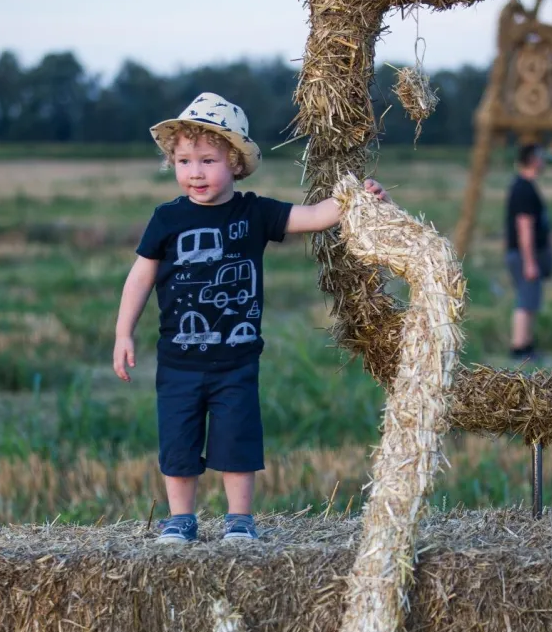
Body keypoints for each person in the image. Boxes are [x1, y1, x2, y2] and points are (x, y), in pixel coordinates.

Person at [113, 92, 388, 543]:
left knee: (237, 442)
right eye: (184, 162)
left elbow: (315, 216)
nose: (195, 172)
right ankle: (181, 518)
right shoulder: (166, 219)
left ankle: (239, 519)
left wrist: (358, 198)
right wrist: (123, 332)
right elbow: (140, 277)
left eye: (208, 161)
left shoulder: (255, 212)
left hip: (237, 361)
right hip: (179, 362)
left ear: (235, 163)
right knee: (179, 443)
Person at [505, 143, 552, 362]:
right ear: (532, 159)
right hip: (524, 256)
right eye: (540, 157)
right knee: (525, 301)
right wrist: (530, 262)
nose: (543, 161)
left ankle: (527, 344)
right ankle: (519, 348)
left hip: (525, 255)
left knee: (530, 299)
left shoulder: (525, 186)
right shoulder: (523, 189)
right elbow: (524, 227)